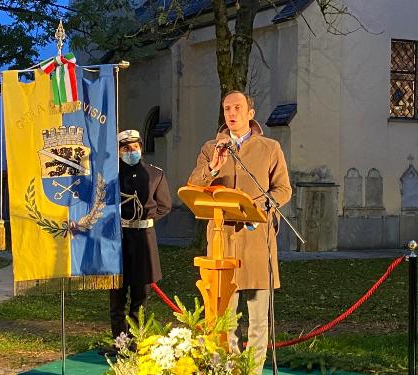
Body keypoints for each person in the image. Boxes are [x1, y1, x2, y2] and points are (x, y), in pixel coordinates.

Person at [188, 91, 292, 373]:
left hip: (257, 240)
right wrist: (213, 166)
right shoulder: (212, 147)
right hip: (223, 242)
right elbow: (194, 185)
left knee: (258, 319)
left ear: (250, 113)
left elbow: (283, 189)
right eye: (226, 108)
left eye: (237, 108)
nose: (231, 113)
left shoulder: (269, 147)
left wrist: (259, 207)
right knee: (224, 318)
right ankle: (228, 369)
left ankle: (254, 370)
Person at [108, 129, 172, 351]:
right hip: (118, 241)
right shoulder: (111, 175)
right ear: (118, 151)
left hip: (144, 241)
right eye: (125, 148)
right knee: (117, 297)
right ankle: (120, 343)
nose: (131, 151)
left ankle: (136, 342)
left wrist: (144, 216)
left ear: (141, 148)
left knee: (140, 296)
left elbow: (164, 205)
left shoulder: (155, 174)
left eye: (135, 147)